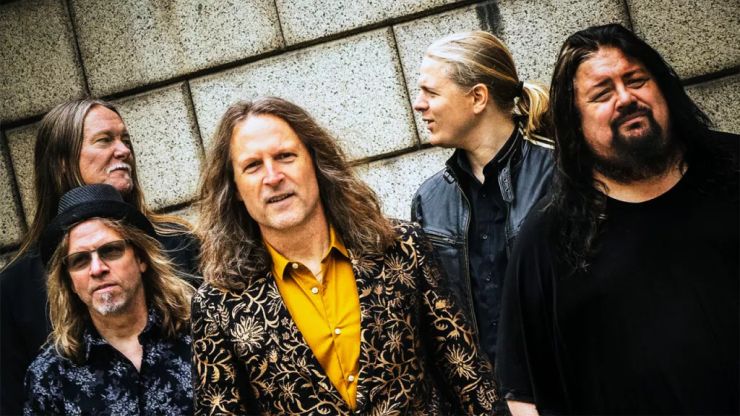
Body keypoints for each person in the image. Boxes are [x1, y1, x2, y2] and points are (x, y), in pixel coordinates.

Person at [192, 97, 498, 415]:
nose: (273, 177)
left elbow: (469, 377)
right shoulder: (217, 304)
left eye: (285, 156)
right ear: (235, 188)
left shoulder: (402, 246)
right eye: (253, 166)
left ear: (315, 161)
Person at [496, 23, 739, 415]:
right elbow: (523, 395)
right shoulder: (549, 237)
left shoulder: (734, 168)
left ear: (663, 88)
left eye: (636, 80)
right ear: (575, 121)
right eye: (602, 93)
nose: (626, 98)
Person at [0, 99, 200, 415]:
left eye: (125, 140)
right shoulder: (15, 288)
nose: (123, 150)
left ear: (142, 258)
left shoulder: (179, 242)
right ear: (61, 163)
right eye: (105, 140)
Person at [410, 31, 554, 367]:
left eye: (431, 92)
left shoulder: (559, 173)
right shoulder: (429, 201)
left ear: (477, 98)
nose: (418, 103)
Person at [23, 184, 195, 414]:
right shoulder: (50, 377)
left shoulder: (199, 335)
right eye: (80, 260)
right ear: (70, 282)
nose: (97, 269)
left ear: (141, 259)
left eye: (111, 250)